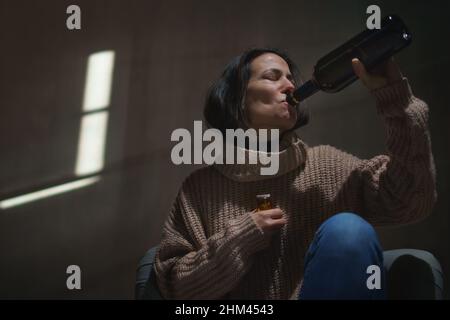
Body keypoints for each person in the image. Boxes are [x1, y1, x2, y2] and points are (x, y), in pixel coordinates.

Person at [153, 48, 437, 299]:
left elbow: (410, 201)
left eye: (290, 78)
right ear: (238, 99)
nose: (290, 85)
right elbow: (177, 288)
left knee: (349, 231)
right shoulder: (200, 189)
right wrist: (241, 237)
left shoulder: (327, 164)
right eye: (272, 76)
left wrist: (396, 100)